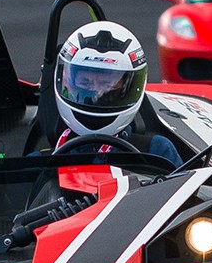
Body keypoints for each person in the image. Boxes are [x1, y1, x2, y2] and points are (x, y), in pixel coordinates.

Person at [49, 21, 181, 167]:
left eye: (107, 84)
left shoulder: (156, 151)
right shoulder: (41, 163)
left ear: (129, 88)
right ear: (67, 81)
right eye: (85, 82)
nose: (96, 94)